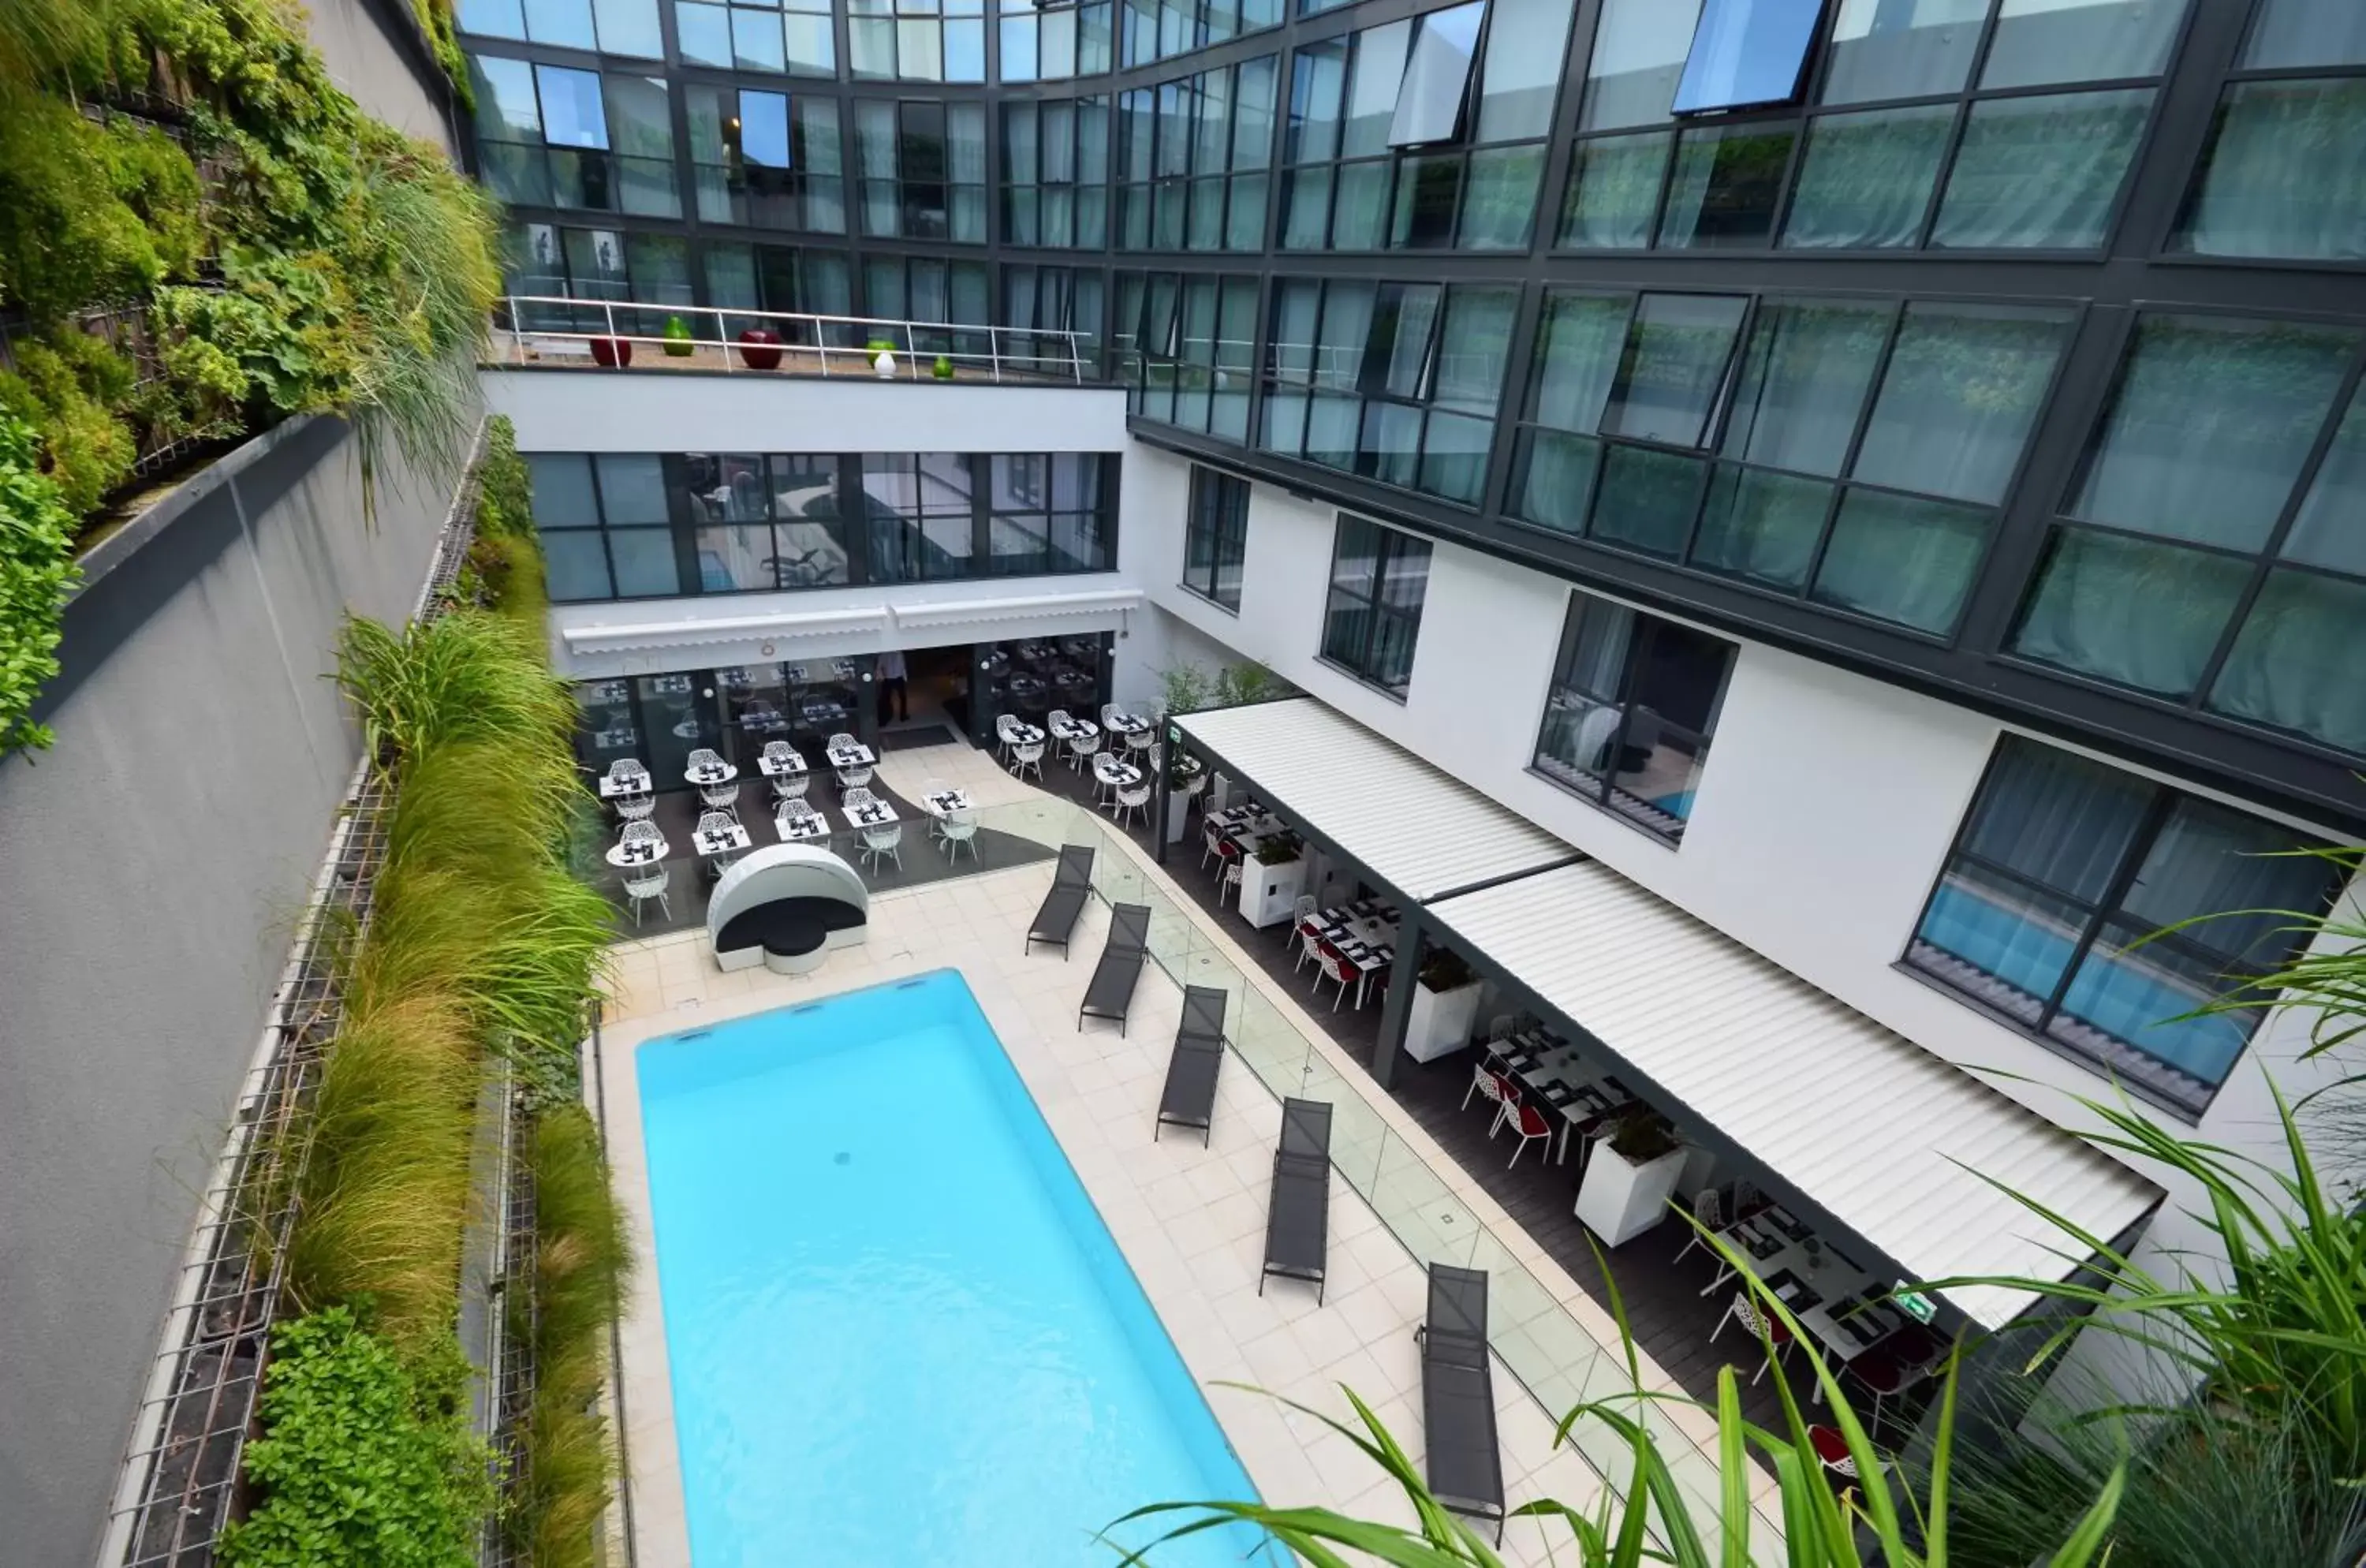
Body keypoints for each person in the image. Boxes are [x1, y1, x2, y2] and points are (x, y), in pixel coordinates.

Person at [876, 648, 909, 724]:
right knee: (902, 697)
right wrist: (905, 677)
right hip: (898, 677)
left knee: (886, 698)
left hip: (888, 678)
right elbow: (902, 665)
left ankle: (885, 717)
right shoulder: (899, 653)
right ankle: (903, 716)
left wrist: (880, 677)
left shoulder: (883, 654)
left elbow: (879, 666)